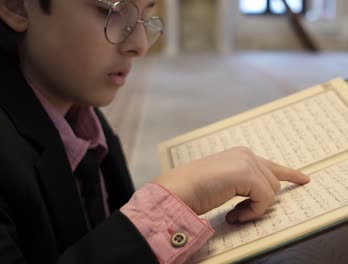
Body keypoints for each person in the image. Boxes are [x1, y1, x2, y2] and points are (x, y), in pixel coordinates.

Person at [0, 0, 310, 263]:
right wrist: (164, 208)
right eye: (113, 10)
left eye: (146, 16)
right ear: (16, 6)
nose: (140, 45)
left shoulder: (83, 118)